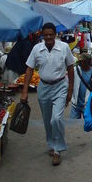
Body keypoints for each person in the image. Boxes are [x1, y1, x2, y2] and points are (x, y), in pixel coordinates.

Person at [21, 22, 75, 166]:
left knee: (56, 119)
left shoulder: (64, 47)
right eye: (46, 35)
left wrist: (70, 90)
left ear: (55, 34)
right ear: (42, 36)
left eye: (51, 34)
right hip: (43, 87)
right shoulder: (36, 49)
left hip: (60, 86)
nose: (49, 37)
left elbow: (70, 68)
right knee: (47, 120)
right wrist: (25, 91)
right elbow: (29, 70)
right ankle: (52, 144)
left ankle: (58, 150)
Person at [70, 53, 92, 119]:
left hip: (87, 104)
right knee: (72, 123)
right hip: (75, 104)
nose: (81, 63)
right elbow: (69, 82)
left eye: (83, 61)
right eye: (80, 61)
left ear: (88, 62)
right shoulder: (75, 70)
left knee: (88, 124)